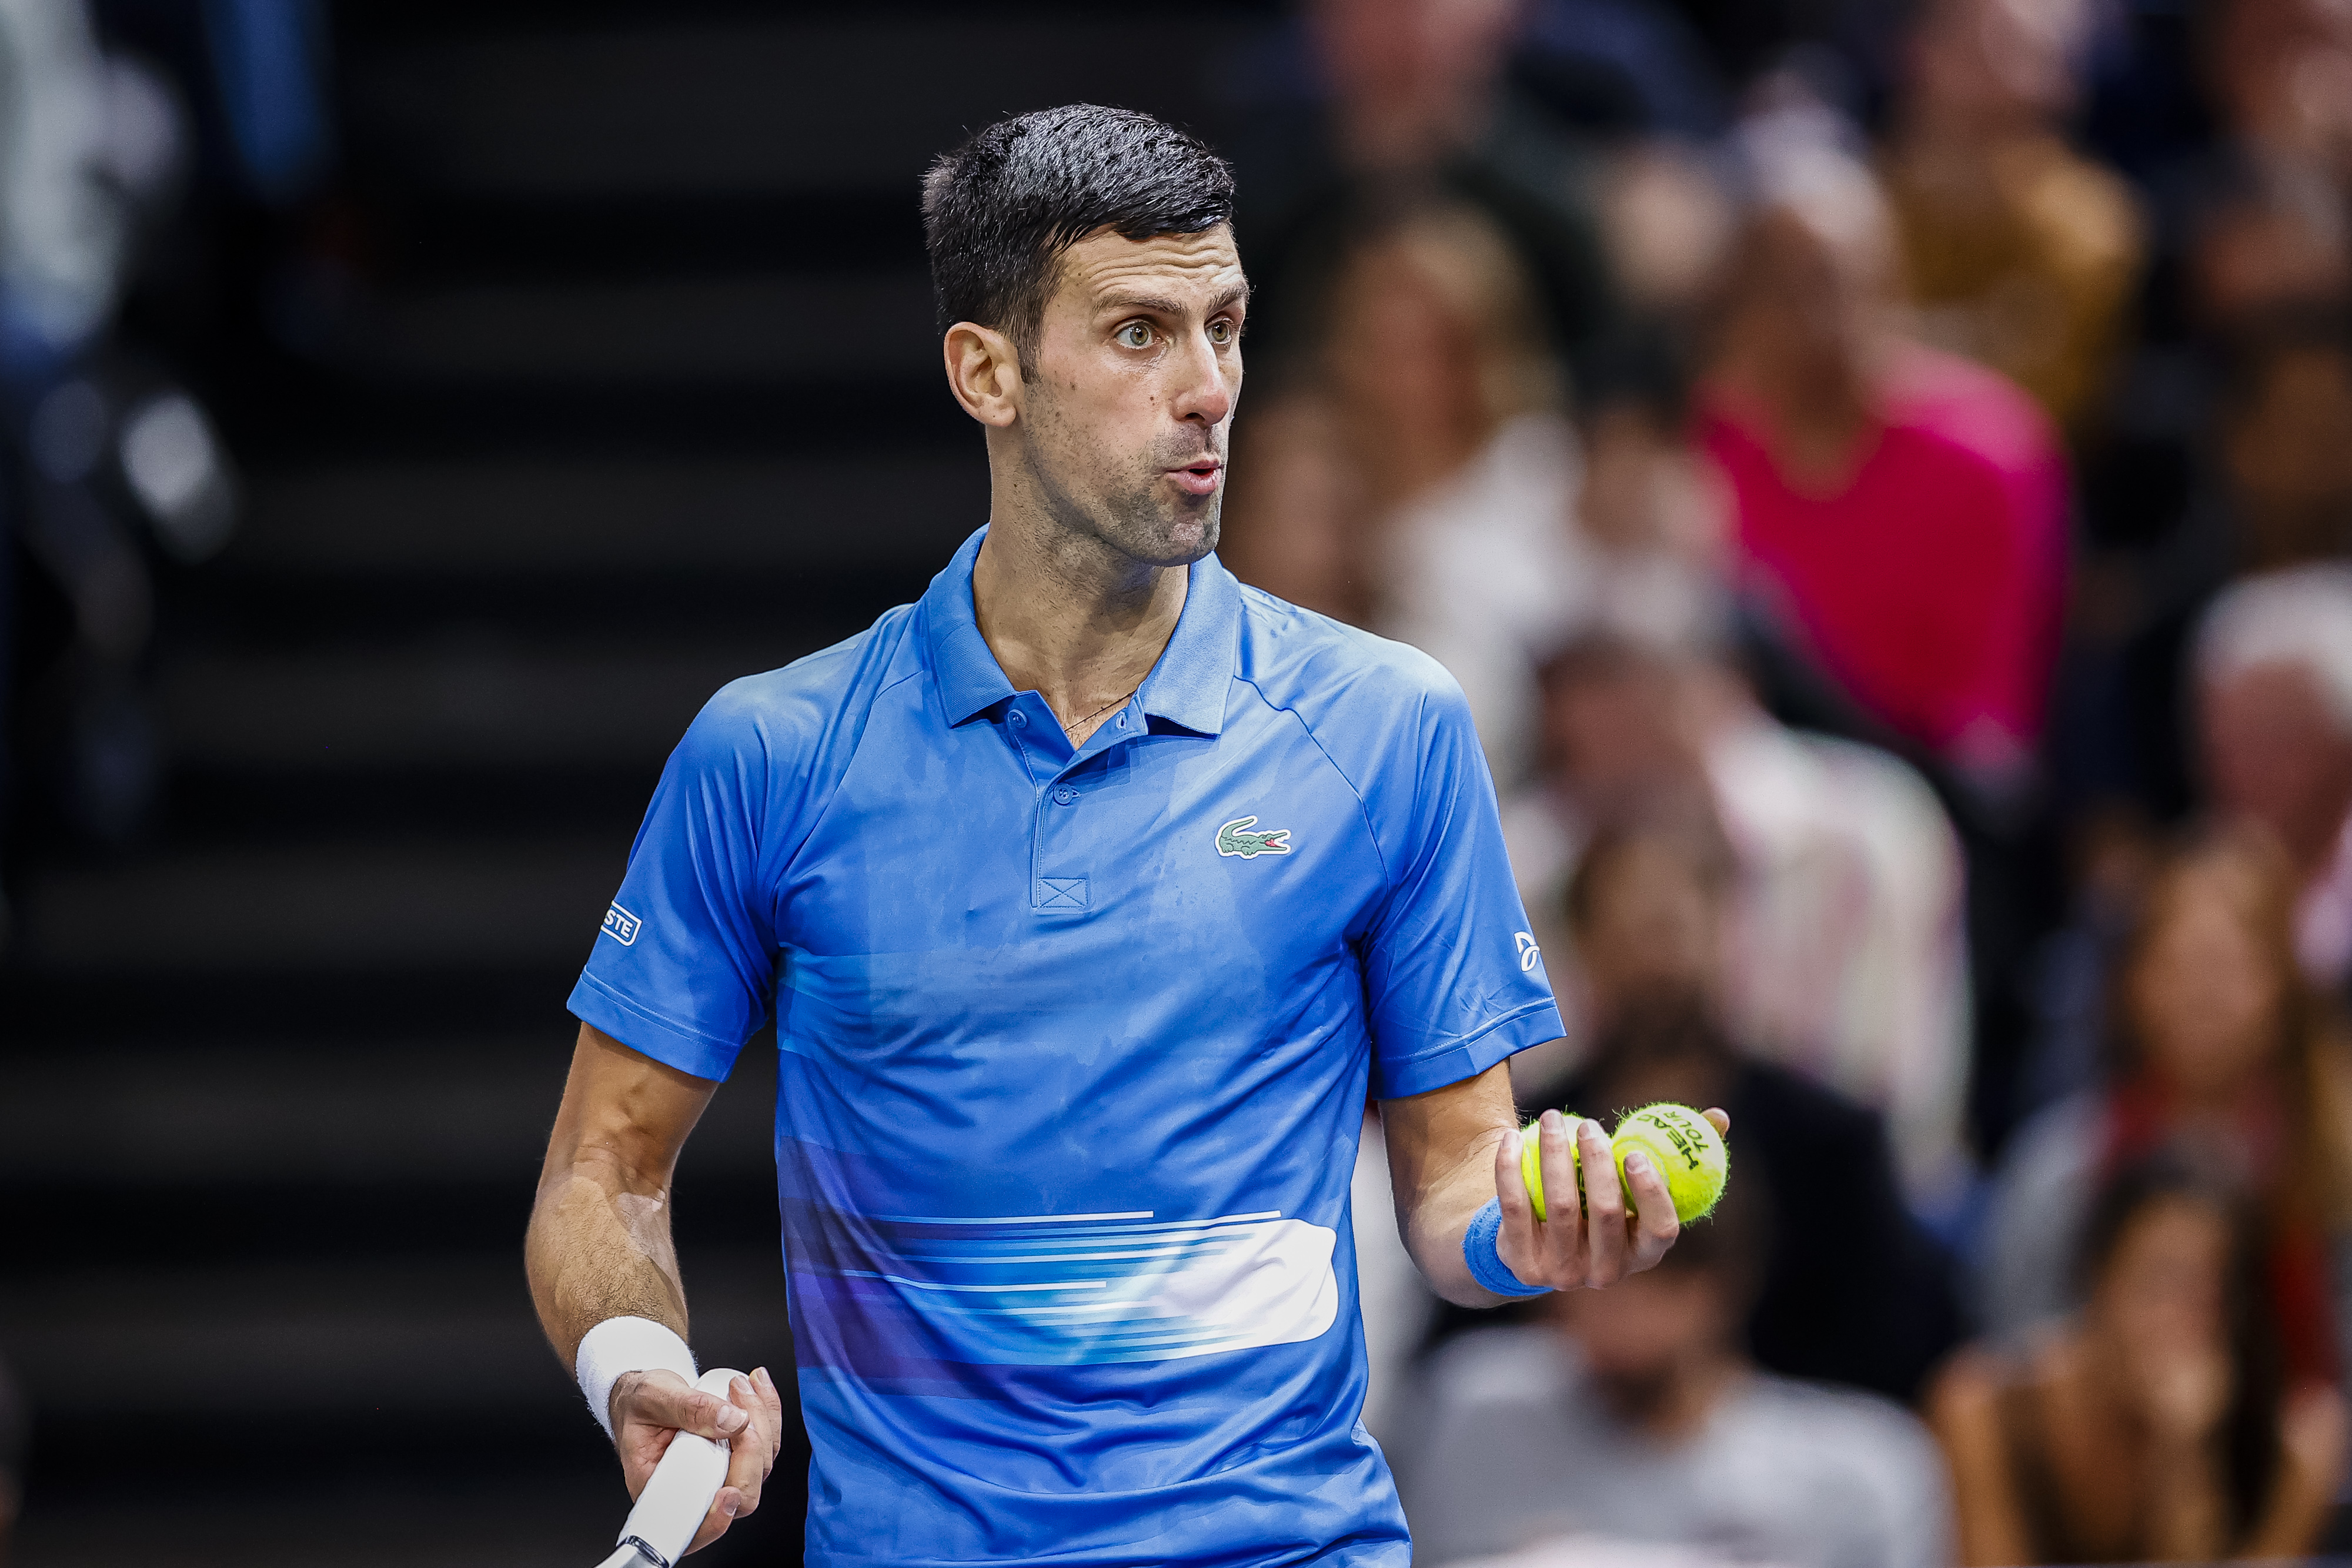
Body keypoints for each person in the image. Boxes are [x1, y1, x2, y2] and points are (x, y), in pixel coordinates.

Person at [523, 105, 1722, 1566]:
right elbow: (602, 1171)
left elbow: (1456, 1178)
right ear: (987, 372)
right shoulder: (771, 755)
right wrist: (631, 1362)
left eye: (1225, 327)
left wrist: (1524, 1228)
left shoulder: (1389, 725)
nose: (1208, 388)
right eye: (1140, 334)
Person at [1502, 610, 1973, 1199]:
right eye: (1572, 750)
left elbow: (1899, 1098)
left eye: (1625, 727)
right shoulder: (1535, 858)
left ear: (1697, 700)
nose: (1604, 767)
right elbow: (1539, 1089)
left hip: (1851, 1193)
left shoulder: (1870, 834)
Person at [1702, 119, 2069, 798]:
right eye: (1776, 285)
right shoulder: (1709, 447)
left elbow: (1983, 733)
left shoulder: (1987, 450)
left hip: (1931, 798)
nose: (1813, 314)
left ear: (1890, 280)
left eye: (1831, 280)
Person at [1534, 824, 1964, 1402]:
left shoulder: (1830, 1140)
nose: (1652, 963)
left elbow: (1895, 1342)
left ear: (1720, 930)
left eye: (1668, 928)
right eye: (1624, 936)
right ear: (1582, 949)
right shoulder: (1531, 1131)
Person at [1404, 1178, 1951, 1568]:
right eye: (1581, 1269)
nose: (1601, 1302)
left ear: (1721, 1285)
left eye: (1642, 1274)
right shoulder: (1471, 1404)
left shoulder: (1865, 1471)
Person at [1980, 827, 2352, 1383]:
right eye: (2180, 964)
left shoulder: (2335, 1165)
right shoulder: (2063, 1168)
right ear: (2136, 985)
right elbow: (2013, 1363)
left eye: (2228, 967)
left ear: (2283, 989)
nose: (2203, 995)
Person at [1932, 1154, 2348, 1564]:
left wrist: (2185, 1458)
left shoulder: (2296, 1444)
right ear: (2097, 1277)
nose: (2186, 1316)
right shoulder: (1987, 1408)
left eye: (2215, 1291)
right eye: (2163, 1279)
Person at [1880, 0, 2146, 434]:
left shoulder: (2093, 223)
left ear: (2064, 81)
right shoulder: (1852, 205)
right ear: (1914, 55)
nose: (1992, 73)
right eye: (1968, 46)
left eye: (2015, 49)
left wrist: (1888, 347)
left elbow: (2042, 388)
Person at [2198, 564, 2352, 996]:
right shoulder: (2186, 895)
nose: (2245, 766)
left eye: (2274, 738)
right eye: (2227, 741)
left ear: (2342, 745)